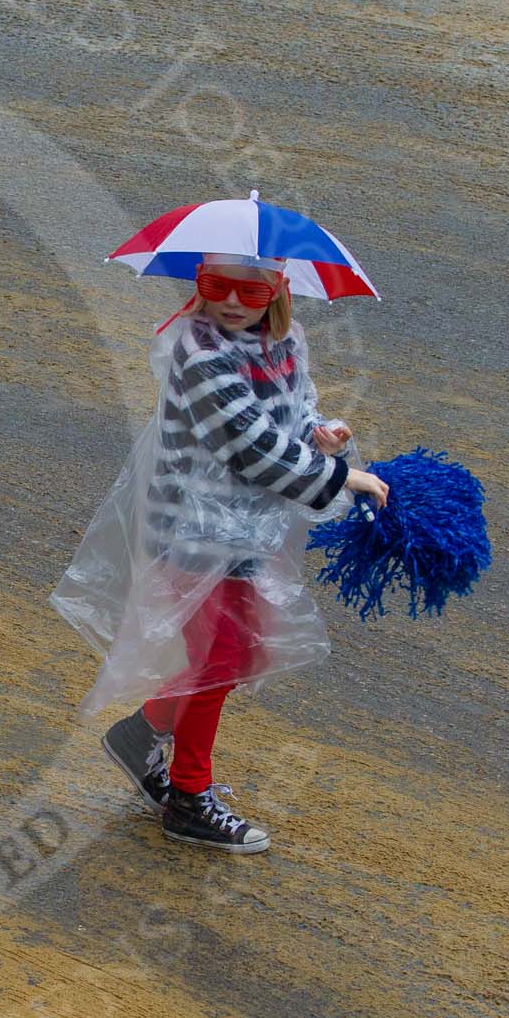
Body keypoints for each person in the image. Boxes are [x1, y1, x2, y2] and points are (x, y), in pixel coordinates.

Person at [53, 253, 391, 854]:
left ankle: (142, 735)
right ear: (198, 285)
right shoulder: (201, 354)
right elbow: (251, 447)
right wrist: (342, 477)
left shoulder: (282, 344)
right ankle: (189, 796)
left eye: (248, 290)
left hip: (243, 527)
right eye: (216, 286)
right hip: (193, 527)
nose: (232, 302)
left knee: (241, 650)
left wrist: (318, 430)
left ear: (277, 291)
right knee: (221, 653)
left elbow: (292, 406)